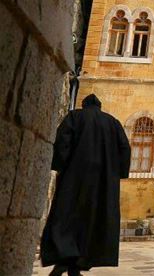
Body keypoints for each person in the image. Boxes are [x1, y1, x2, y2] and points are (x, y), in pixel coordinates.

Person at [40, 94, 131, 276]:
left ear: (84, 105)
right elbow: (125, 148)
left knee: (66, 216)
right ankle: (78, 262)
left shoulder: (75, 117)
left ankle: (65, 259)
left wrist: (60, 166)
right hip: (102, 183)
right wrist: (117, 173)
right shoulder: (112, 122)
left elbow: (62, 142)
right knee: (92, 220)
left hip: (75, 177)